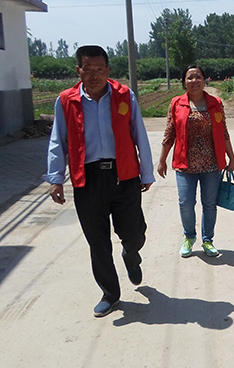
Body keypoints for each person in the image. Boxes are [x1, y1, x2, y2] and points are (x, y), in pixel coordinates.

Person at [44, 45, 155, 317]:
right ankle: (110, 293)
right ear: (78, 71)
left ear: (108, 70)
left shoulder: (124, 96)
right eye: (88, 70)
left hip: (124, 174)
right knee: (97, 240)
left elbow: (138, 132)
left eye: (99, 70)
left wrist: (147, 172)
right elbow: (58, 140)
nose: (94, 75)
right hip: (88, 179)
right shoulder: (66, 100)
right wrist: (56, 178)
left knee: (134, 231)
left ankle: (131, 253)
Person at [157, 65, 234, 258]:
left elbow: (223, 131)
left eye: (198, 77)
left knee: (209, 204)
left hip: (211, 164)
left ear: (205, 80)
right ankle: (189, 237)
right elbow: (170, 133)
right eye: (190, 78)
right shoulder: (176, 104)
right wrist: (162, 160)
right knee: (186, 203)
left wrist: (231, 157)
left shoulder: (216, 103)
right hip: (185, 164)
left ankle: (207, 240)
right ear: (184, 81)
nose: (194, 81)